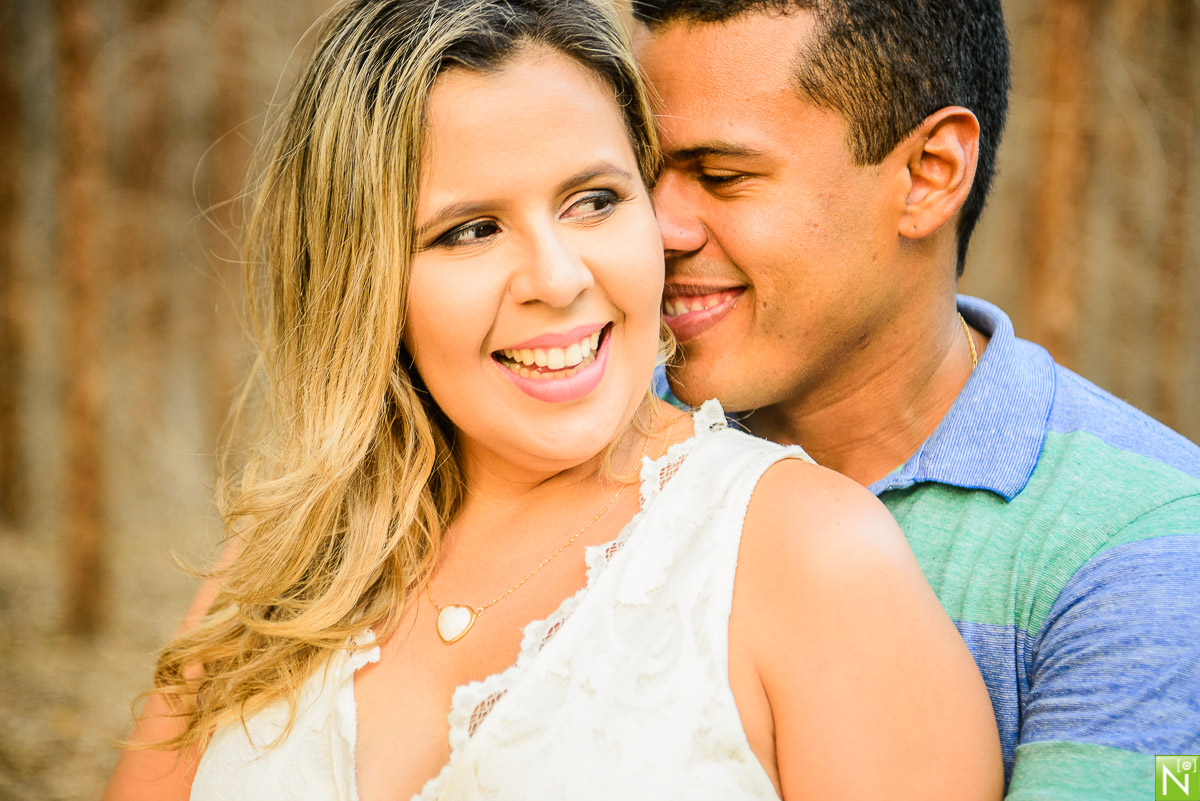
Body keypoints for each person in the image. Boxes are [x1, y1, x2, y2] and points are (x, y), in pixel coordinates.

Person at [103, 0, 1001, 799]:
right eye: (471, 229)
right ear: (365, 276)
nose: (558, 277)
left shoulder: (811, 556)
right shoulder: (285, 562)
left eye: (593, 201)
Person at [630, 1, 1200, 799]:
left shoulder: (1146, 546)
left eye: (721, 175)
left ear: (930, 174)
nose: (656, 224)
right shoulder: (597, 438)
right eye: (637, 169)